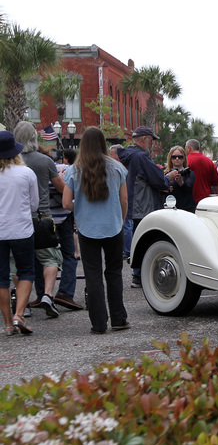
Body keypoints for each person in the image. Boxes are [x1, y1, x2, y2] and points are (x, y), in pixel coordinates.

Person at [63, 127, 129, 334]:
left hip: (87, 228)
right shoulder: (117, 167)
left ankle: (98, 323)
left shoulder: (75, 169)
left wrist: (80, 208)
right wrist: (121, 218)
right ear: (103, 143)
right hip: (113, 226)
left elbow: (66, 203)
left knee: (93, 275)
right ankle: (119, 319)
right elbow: (124, 199)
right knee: (114, 273)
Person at [118, 126, 178, 288]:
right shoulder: (140, 156)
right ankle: (139, 276)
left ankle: (137, 276)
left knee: (138, 240)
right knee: (147, 241)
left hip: (132, 203)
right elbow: (156, 180)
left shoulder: (126, 155)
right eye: (151, 140)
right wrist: (169, 177)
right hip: (144, 204)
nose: (151, 143)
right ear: (144, 139)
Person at [17, 121, 63, 318]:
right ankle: (47, 295)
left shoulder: (11, 162)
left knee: (18, 263)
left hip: (17, 219)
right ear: (35, 138)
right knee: (51, 258)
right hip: (42, 217)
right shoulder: (45, 161)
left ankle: (23, 304)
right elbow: (61, 188)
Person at [0, 131, 37, 336]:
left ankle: (7, 323)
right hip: (21, 228)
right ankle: (19, 314)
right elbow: (34, 204)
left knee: (1, 278)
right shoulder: (26, 173)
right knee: (26, 271)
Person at [47, 148, 82, 310]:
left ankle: (43, 294)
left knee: (44, 257)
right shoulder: (71, 170)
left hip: (47, 217)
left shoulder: (46, 167)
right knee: (69, 256)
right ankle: (66, 293)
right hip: (65, 215)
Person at [110, 144, 134, 260]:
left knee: (127, 224)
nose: (110, 156)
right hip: (123, 197)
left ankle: (127, 250)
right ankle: (126, 249)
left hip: (125, 196)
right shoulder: (122, 166)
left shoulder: (120, 167)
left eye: (111, 154)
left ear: (116, 154)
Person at [184, 138, 218, 203]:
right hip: (206, 200)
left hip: (190, 200)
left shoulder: (186, 161)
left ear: (189, 148)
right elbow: (216, 184)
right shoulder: (209, 162)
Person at [164, 145, 196, 212]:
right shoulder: (165, 173)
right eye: (174, 157)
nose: (177, 159)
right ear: (170, 158)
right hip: (169, 209)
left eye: (180, 157)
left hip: (186, 209)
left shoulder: (189, 173)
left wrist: (180, 182)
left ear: (184, 158)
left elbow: (189, 188)